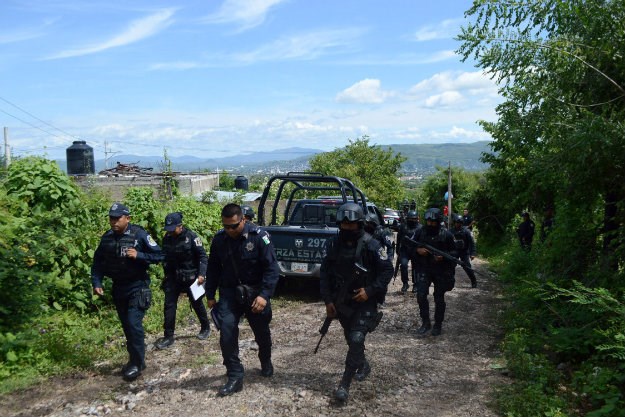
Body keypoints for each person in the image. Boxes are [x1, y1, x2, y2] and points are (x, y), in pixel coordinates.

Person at [320, 202, 393, 402]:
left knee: (357, 338)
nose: (347, 229)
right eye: (344, 226)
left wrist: (370, 291)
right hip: (342, 301)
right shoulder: (333, 244)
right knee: (350, 338)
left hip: (365, 300)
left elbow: (387, 270)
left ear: (359, 224)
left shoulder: (372, 244)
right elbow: (325, 273)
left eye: (351, 226)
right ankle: (362, 363)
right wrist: (328, 300)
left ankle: (344, 384)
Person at [205, 203, 280, 396]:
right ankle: (235, 376)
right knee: (227, 332)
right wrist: (210, 294)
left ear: (243, 220)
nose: (229, 230)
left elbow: (272, 269)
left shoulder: (259, 237)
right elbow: (213, 268)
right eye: (226, 226)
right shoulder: (220, 240)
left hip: (255, 293)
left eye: (234, 226)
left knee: (261, 331)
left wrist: (264, 296)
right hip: (230, 293)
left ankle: (265, 359)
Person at [91, 202, 161, 381]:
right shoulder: (107, 238)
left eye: (117, 218)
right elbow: (97, 262)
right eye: (111, 218)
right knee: (127, 327)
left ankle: (137, 363)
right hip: (118, 287)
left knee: (133, 324)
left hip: (138, 287)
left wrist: (140, 256)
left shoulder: (139, 235)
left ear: (127, 218)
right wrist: (97, 281)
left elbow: (160, 255)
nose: (113, 222)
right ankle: (135, 360)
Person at [155, 212, 211, 350]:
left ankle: (205, 327)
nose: (170, 232)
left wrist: (202, 274)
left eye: (173, 229)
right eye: (168, 229)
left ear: (180, 226)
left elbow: (203, 257)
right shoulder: (167, 238)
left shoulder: (191, 237)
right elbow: (164, 257)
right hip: (173, 277)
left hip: (192, 277)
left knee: (196, 303)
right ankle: (168, 336)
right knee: (169, 306)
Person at [409, 207, 457, 337]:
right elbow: (409, 247)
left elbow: (454, 252)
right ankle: (425, 323)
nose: (430, 224)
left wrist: (443, 257)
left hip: (441, 270)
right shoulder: (420, 232)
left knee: (439, 298)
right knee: (421, 295)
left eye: (433, 222)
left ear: (439, 221)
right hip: (424, 268)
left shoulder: (446, 234)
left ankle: (438, 324)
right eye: (428, 221)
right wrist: (418, 251)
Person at [364, 212, 395, 307]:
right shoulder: (363, 231)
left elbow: (391, 245)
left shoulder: (384, 231)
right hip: (368, 258)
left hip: (380, 258)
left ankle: (381, 300)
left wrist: (388, 259)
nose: (366, 225)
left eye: (369, 223)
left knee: (381, 280)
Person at [396, 210, 421, 294]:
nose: (412, 220)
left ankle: (416, 284)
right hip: (404, 250)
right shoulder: (403, 226)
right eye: (410, 219)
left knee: (416, 267)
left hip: (415, 250)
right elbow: (399, 238)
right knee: (403, 265)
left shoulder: (420, 228)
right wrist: (397, 250)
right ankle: (405, 283)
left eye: (414, 219)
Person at [451, 214, 477, 288]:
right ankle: (450, 282)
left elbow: (472, 243)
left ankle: (473, 281)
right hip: (454, 252)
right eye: (456, 222)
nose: (458, 224)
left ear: (462, 223)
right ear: (454, 222)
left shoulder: (466, 231)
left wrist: (473, 253)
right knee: (450, 267)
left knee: (467, 267)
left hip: (464, 252)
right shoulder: (451, 231)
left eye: (459, 223)